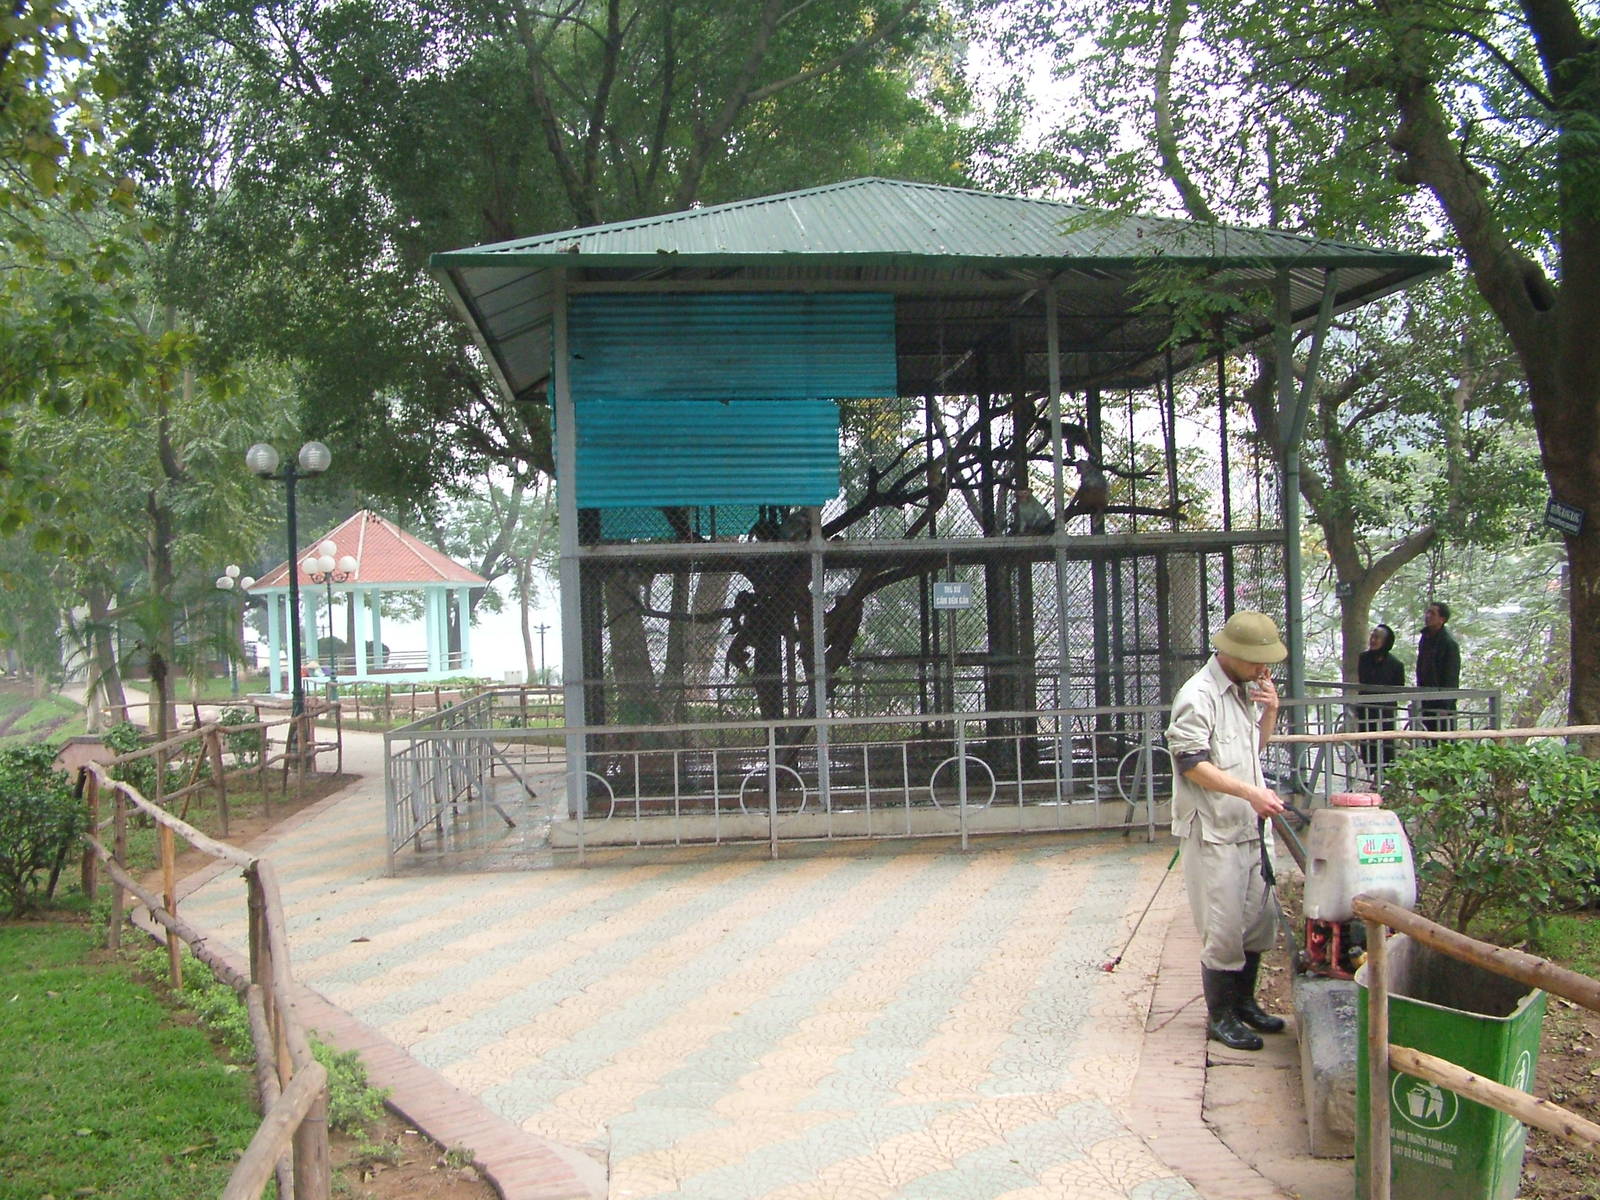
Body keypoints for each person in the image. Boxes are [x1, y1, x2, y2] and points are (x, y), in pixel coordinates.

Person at [1165, 610, 1288, 1051]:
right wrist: (1248, 794)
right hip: (1215, 830)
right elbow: (1192, 763)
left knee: (1257, 920)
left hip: (1250, 827)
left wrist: (1270, 712)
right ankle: (1220, 1016)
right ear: (1232, 653)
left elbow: (1249, 753)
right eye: (1257, 659)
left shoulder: (1241, 692)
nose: (1264, 668)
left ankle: (1245, 1004)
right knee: (1224, 925)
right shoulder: (1198, 695)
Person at [1355, 623, 1405, 775]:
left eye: (1377, 637)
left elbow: (1398, 688)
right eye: (1372, 636)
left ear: (1386, 642)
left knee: (1387, 742)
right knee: (1367, 743)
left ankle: (1388, 774)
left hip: (1385, 710)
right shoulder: (1363, 659)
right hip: (1367, 708)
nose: (1373, 640)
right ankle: (1374, 773)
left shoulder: (1396, 664)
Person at [1416, 601, 1461, 731]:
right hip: (1425, 699)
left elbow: (1451, 677)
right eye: (1427, 612)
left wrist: (1445, 705)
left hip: (1441, 702)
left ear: (1442, 619)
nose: (1428, 616)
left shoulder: (1449, 644)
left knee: (1443, 739)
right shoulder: (1425, 639)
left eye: (1432, 613)